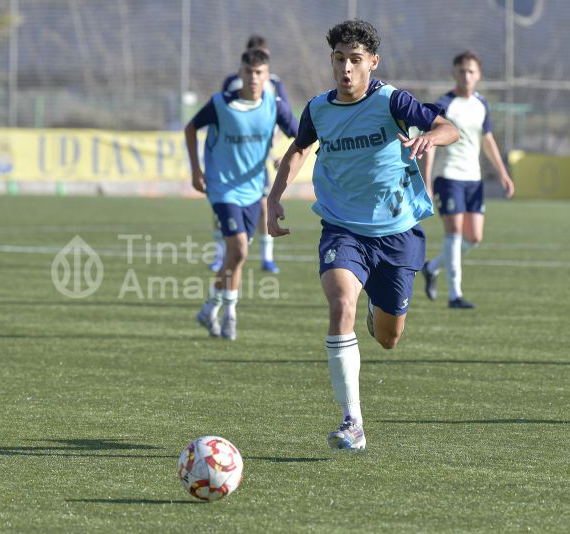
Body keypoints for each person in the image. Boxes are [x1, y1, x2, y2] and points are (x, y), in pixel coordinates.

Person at [267, 20, 459, 450]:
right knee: (340, 303)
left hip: (397, 233)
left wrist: (430, 137)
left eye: (355, 60)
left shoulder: (392, 101)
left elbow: (450, 129)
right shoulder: (318, 108)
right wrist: (274, 196)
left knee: (389, 338)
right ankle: (352, 421)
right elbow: (299, 148)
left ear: (372, 62)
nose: (346, 69)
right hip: (342, 228)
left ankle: (379, 309)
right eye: (339, 59)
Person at [186, 48, 298, 341]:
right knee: (239, 250)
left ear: (267, 76)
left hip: (253, 191)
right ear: (240, 73)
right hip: (222, 188)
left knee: (235, 257)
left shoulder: (274, 105)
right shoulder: (221, 103)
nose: (253, 78)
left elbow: (302, 137)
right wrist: (196, 170)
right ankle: (230, 316)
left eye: (259, 72)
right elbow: (191, 128)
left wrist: (286, 156)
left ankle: (211, 309)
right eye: (248, 72)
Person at [421, 51, 515, 309]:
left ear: (478, 75)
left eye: (471, 71)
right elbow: (430, 143)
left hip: (474, 178)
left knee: (474, 237)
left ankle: (432, 267)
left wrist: (503, 173)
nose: (466, 76)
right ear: (454, 73)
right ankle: (455, 295)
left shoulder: (481, 103)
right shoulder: (444, 104)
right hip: (448, 176)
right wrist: (427, 182)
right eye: (461, 71)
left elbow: (487, 139)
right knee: (453, 232)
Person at [209, 34, 292, 274]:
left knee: (264, 204)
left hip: (258, 156)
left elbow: (283, 116)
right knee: (221, 208)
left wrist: (277, 145)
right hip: (230, 158)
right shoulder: (232, 82)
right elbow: (222, 114)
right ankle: (219, 255)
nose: (255, 74)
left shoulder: (274, 84)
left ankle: (267, 257)